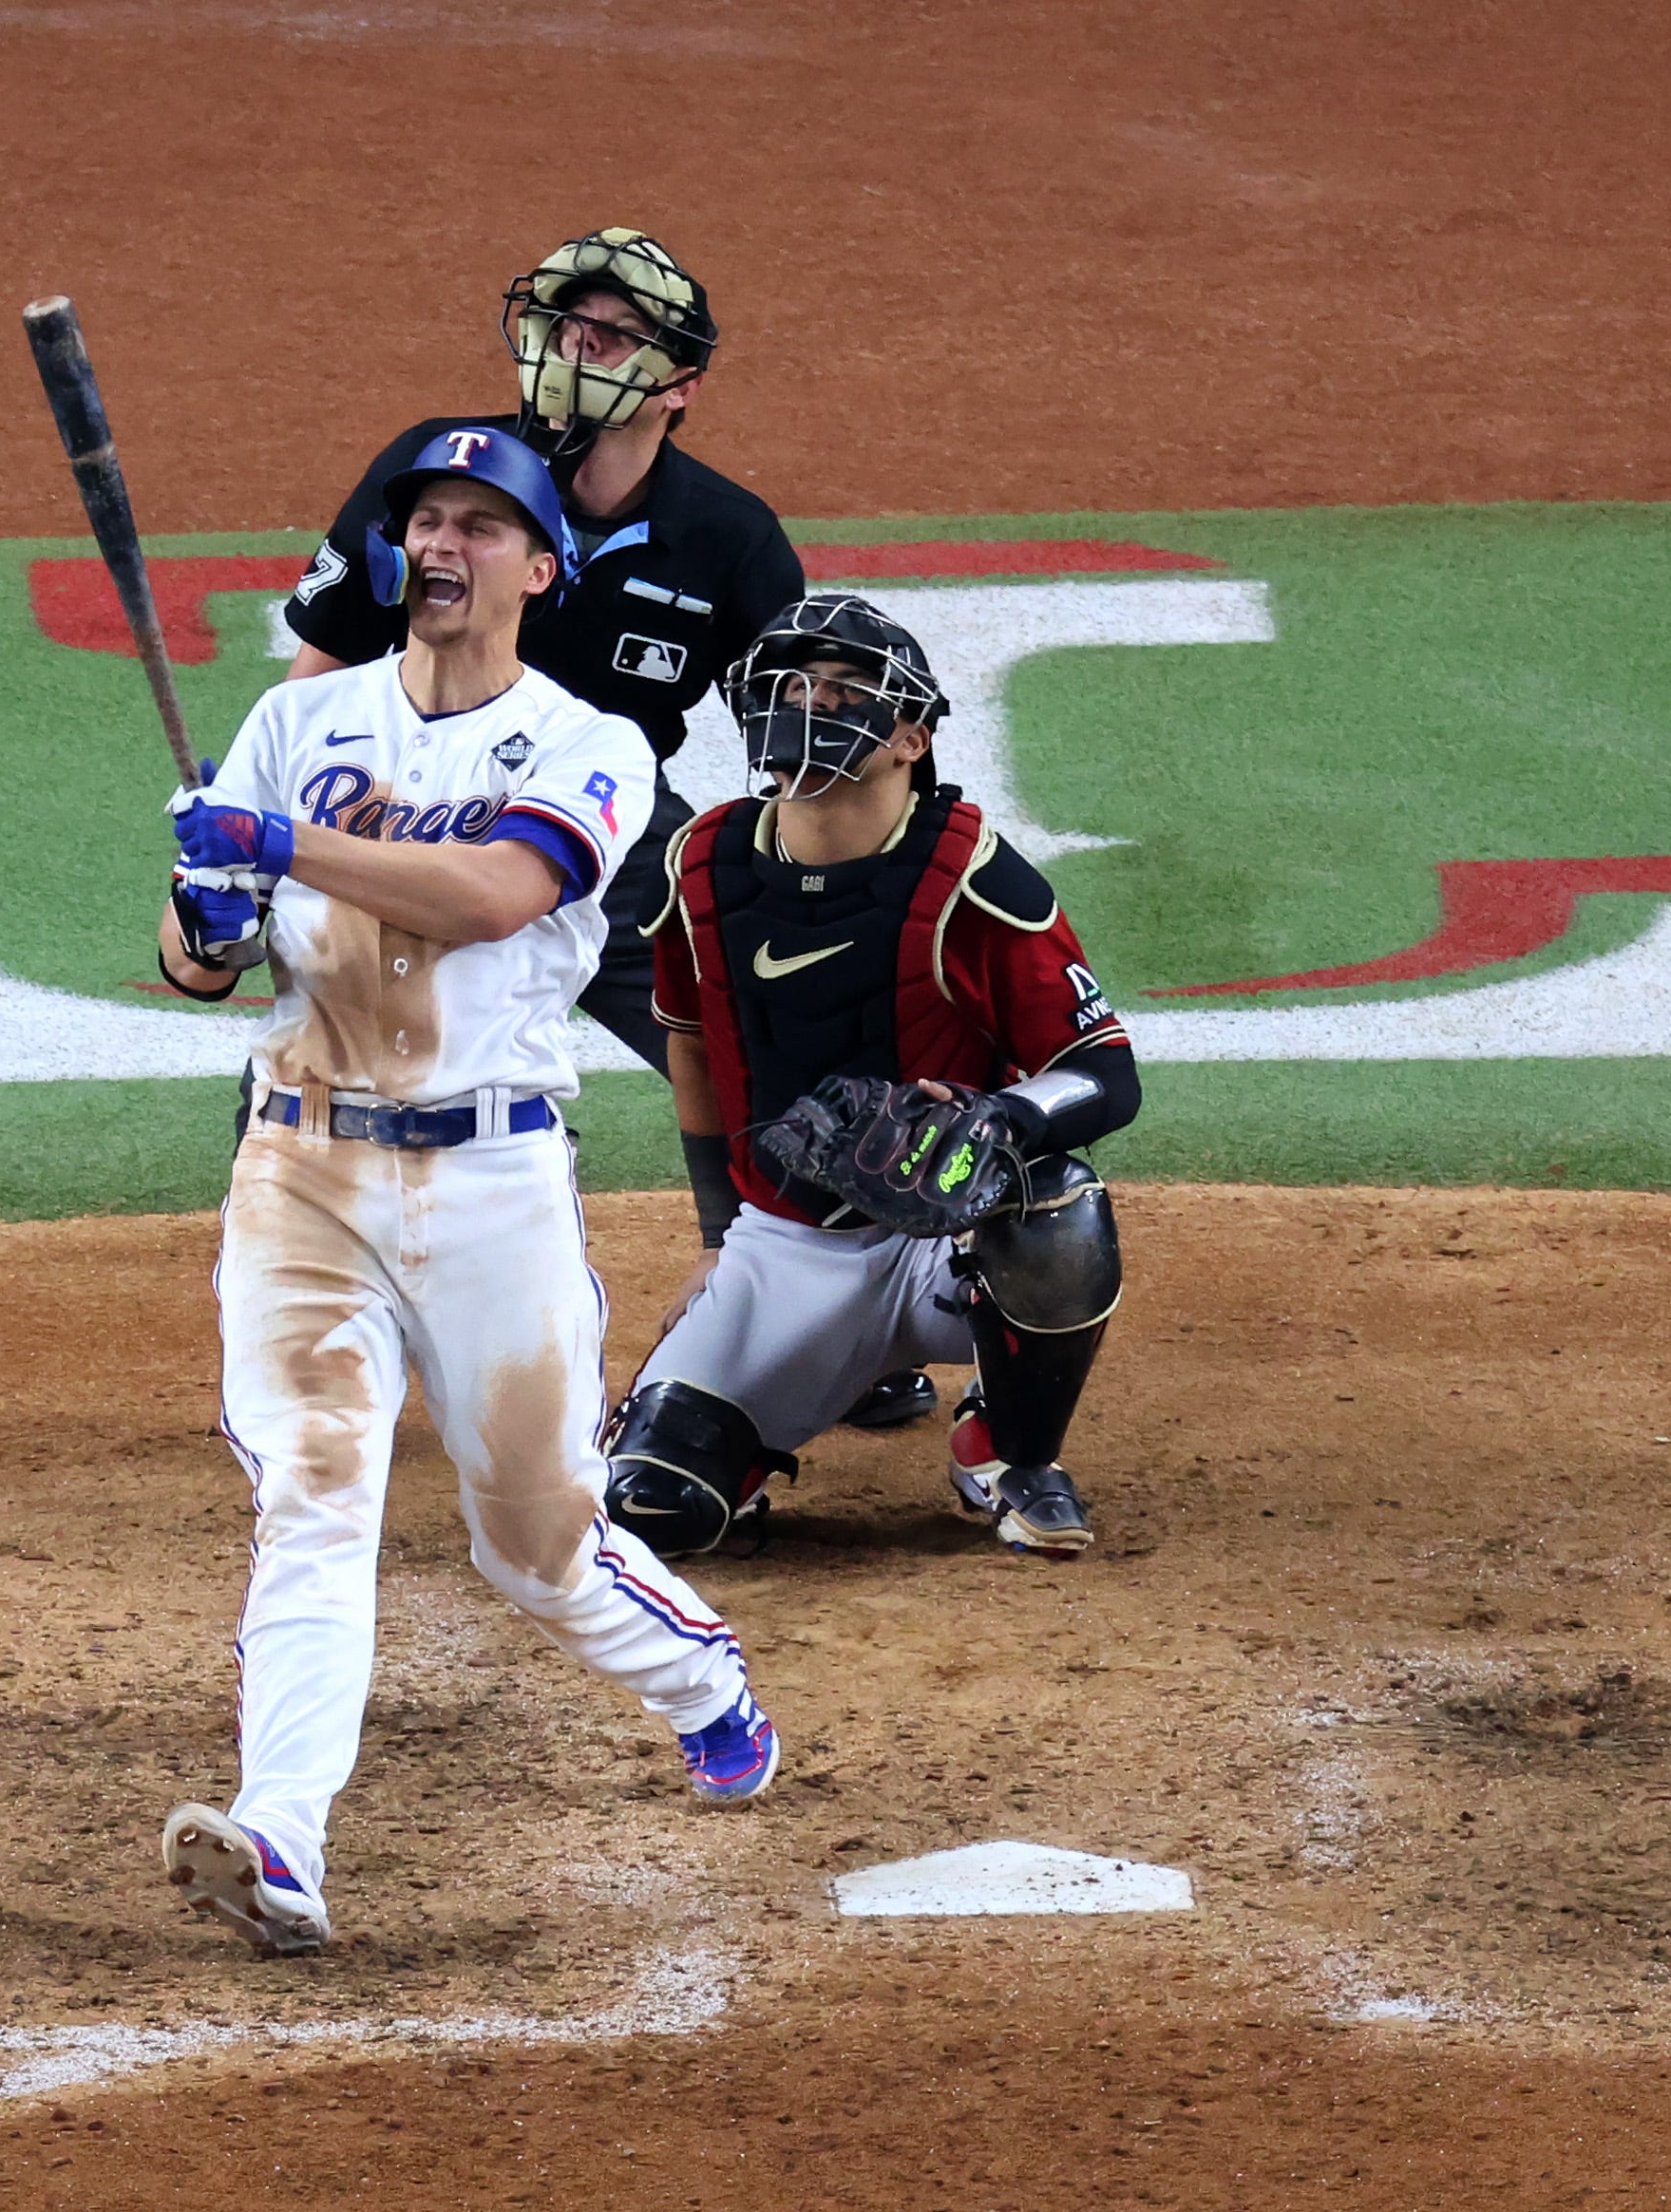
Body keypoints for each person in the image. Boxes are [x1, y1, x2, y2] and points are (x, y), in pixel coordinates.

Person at [153, 425, 776, 1961]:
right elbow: (184, 962)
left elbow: (499, 891)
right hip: (300, 1167)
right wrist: (207, 914)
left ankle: (705, 1686)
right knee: (313, 1488)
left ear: (537, 568)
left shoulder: (588, 742)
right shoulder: (297, 720)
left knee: (537, 1542)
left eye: (478, 525)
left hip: (490, 1177)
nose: (440, 542)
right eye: (422, 519)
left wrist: (281, 846)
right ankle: (281, 1834)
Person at [283, 227, 937, 1436]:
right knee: (317, 1061)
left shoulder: (725, 537)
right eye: (561, 328)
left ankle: (812, 1301)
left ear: (677, 384)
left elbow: (797, 729)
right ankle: (319, 1319)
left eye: (608, 337)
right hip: (412, 806)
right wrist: (265, 827)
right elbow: (315, 678)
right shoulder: (445, 478)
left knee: (759, 1018)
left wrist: (807, 889)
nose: (571, 354)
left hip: (610, 822)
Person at [602, 595, 1142, 1560]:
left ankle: (1010, 1450)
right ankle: (763, 1416)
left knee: (1058, 1211)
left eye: (843, 692)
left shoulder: (971, 875)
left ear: (909, 737)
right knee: (652, 1511)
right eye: (791, 686)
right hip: (784, 1249)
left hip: (948, 1243)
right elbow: (688, 1043)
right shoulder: (702, 864)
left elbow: (1103, 1070)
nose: (808, 707)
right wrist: (720, 1235)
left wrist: (1003, 1117)